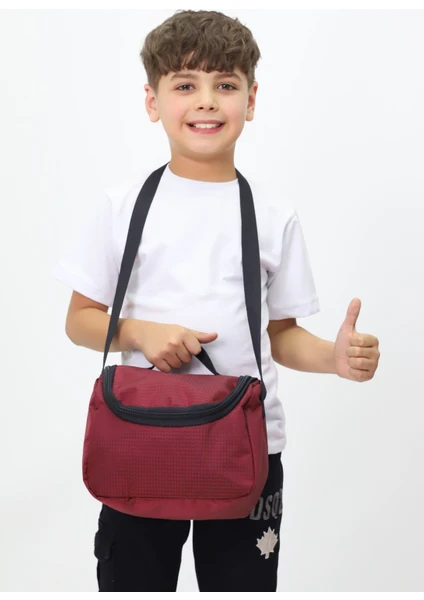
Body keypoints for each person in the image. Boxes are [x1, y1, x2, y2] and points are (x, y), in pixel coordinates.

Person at [52, 9, 380, 592]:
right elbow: (80, 321)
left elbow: (281, 335)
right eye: (185, 85)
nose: (206, 101)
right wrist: (141, 332)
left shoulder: (274, 217)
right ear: (152, 101)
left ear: (250, 101)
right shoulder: (122, 206)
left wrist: (332, 357)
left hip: (247, 447)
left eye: (225, 85)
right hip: (142, 438)